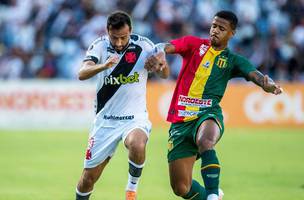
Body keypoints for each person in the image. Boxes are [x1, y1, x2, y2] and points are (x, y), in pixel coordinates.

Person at [145, 10, 283, 200]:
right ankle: (213, 195)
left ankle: (211, 196)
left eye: (221, 28)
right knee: (180, 187)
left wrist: (265, 84)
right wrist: (160, 53)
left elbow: (253, 74)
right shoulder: (194, 45)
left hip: (208, 115)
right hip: (181, 122)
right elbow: (165, 45)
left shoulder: (233, 60)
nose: (215, 31)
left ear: (231, 33)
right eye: (213, 26)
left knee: (205, 141)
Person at [75, 11, 169, 200]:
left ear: (131, 31)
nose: (118, 43)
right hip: (105, 121)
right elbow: (82, 73)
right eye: (114, 38)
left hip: (134, 119)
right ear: (107, 31)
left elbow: (164, 74)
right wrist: (103, 66)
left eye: (123, 38)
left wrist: (162, 65)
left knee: (137, 143)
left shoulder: (144, 46)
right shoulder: (99, 46)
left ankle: (131, 190)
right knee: (88, 179)